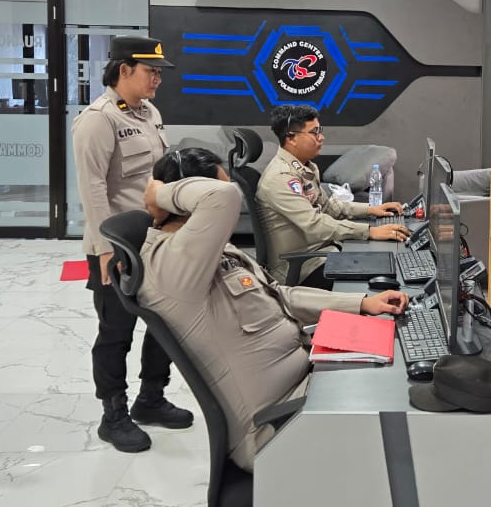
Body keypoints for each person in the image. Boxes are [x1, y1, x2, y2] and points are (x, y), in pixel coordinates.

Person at [139, 146, 408, 471]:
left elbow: (280, 294)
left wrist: (362, 304)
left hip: (309, 383)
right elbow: (222, 197)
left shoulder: (211, 249)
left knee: (402, 369)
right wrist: (158, 194)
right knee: (408, 421)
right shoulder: (171, 265)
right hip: (277, 427)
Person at [71, 35, 193, 453]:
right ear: (124, 70)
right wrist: (107, 250)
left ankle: (151, 399)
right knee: (116, 332)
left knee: (164, 323)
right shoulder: (97, 119)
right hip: (117, 246)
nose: (158, 78)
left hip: (154, 240)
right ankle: (113, 414)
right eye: (150, 71)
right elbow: (92, 189)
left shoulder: (149, 112)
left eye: (159, 71)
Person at [256, 105, 411, 287]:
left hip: (323, 252)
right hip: (302, 268)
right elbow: (315, 224)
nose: (321, 137)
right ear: (292, 138)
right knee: (385, 274)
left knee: (385, 260)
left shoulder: (305, 167)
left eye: (320, 131)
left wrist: (371, 209)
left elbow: (328, 207)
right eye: (314, 132)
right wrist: (369, 231)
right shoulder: (280, 178)